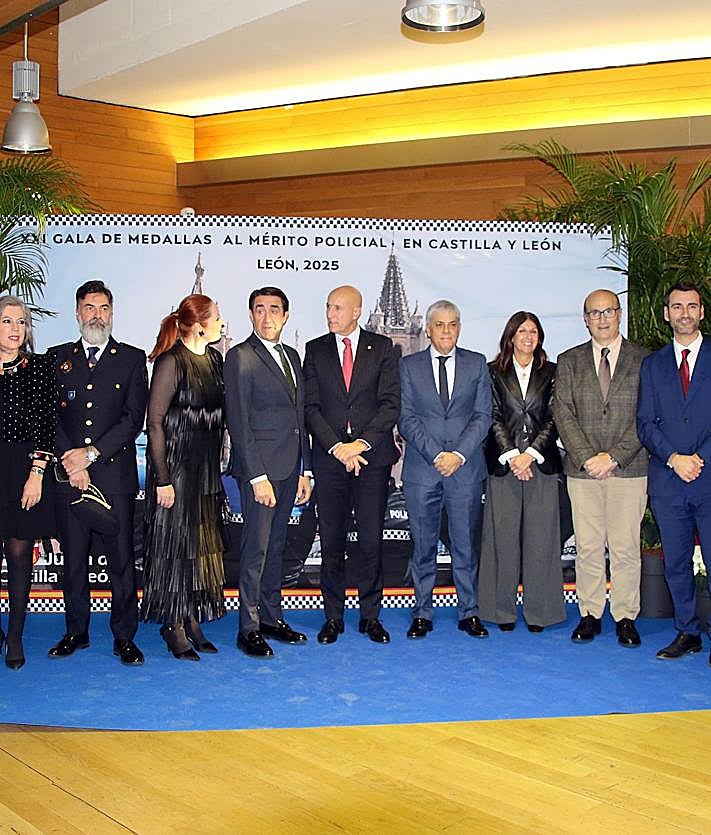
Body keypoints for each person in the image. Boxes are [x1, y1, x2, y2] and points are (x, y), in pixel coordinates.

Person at [48, 280, 148, 666]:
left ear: (112, 312)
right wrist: (71, 461)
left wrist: (89, 455)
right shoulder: (56, 358)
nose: (97, 315)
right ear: (77, 312)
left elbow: (132, 419)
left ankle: (125, 636)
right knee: (73, 559)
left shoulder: (132, 358)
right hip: (68, 478)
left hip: (112, 477)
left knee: (121, 561)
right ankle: (76, 631)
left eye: (104, 308)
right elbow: (50, 417)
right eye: (89, 308)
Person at [304, 285, 400, 644]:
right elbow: (310, 407)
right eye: (328, 307)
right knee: (331, 539)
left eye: (338, 308)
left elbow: (391, 404)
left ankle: (370, 617)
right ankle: (333, 617)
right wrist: (337, 448)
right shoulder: (315, 349)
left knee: (371, 541)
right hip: (330, 463)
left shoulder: (383, 348)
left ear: (357, 311)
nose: (330, 314)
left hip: (371, 461)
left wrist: (359, 444)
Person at [553, 289, 649, 647]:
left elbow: (647, 416)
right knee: (589, 547)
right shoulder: (570, 360)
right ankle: (590, 613)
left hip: (629, 468)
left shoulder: (644, 360)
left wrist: (614, 457)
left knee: (625, 547)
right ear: (585, 319)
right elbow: (562, 412)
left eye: (608, 311)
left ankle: (625, 616)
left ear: (619, 314)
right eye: (594, 313)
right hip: (583, 471)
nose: (602, 318)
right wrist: (587, 457)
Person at [224, 287, 312, 657]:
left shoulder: (292, 355)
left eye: (274, 309)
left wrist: (307, 471)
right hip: (260, 472)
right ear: (250, 315)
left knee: (276, 547)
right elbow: (238, 422)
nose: (266, 316)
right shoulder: (240, 356)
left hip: (291, 468)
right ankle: (248, 627)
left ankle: (271, 619)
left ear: (286, 315)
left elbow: (300, 418)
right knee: (256, 549)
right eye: (259, 309)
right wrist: (256, 477)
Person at [140, 294, 226, 660]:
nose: (223, 323)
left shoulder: (215, 359)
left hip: (205, 470)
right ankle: (172, 623)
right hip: (174, 470)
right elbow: (155, 423)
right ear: (200, 323)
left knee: (199, 546)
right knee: (174, 548)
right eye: (218, 317)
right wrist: (162, 478)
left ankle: (191, 616)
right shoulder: (170, 362)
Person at [399, 300, 491, 639]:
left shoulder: (477, 363)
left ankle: (469, 612)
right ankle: (422, 612)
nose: (447, 331)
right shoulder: (408, 366)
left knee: (466, 545)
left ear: (459, 327)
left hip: (465, 470)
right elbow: (406, 418)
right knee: (422, 546)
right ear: (428, 329)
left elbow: (483, 416)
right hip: (423, 470)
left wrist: (458, 456)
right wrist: (438, 454)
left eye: (453, 324)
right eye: (440, 325)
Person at [637, 281, 711, 662]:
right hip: (669, 481)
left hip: (709, 477)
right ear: (666, 314)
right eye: (677, 306)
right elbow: (645, 423)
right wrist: (674, 459)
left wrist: (698, 458)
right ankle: (688, 632)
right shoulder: (652, 365)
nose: (684, 313)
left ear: (701, 311)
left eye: (691, 306)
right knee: (677, 563)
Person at [479, 311, 565, 633]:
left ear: (540, 337)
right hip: (504, 467)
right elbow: (492, 415)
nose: (528, 337)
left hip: (541, 465)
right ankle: (502, 611)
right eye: (522, 331)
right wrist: (513, 455)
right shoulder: (492, 372)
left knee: (541, 541)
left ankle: (539, 613)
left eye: (534, 331)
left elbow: (556, 417)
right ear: (511, 336)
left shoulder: (554, 372)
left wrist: (530, 454)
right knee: (502, 541)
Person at [0, 296, 56, 669]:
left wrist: (36, 475)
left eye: (21, 322)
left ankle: (16, 637)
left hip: (22, 471)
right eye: (6, 321)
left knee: (19, 557)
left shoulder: (38, 368)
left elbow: (46, 427)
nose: (15, 329)